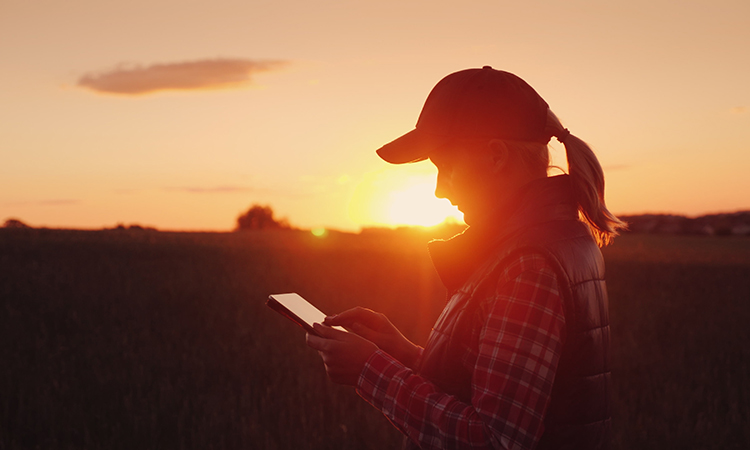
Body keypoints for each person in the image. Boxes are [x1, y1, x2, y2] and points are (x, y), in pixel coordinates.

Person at [306, 66, 625, 450]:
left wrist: (369, 370)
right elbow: (499, 386)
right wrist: (404, 353)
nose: (440, 190)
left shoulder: (528, 265)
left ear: (495, 157)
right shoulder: (545, 242)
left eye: (445, 166)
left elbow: (494, 440)